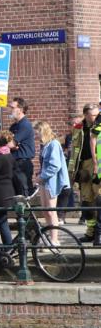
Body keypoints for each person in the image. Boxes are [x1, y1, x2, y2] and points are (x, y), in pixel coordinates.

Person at [66, 103, 101, 242]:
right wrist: (72, 171)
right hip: (84, 167)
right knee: (87, 201)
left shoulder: (99, 126)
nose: (95, 117)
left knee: (99, 198)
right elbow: (74, 152)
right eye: (92, 115)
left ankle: (99, 233)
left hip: (98, 164)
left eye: (96, 114)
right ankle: (90, 232)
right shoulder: (78, 128)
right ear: (85, 115)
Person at [34, 120, 70, 245]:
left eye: (37, 132)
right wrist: (40, 173)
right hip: (45, 181)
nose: (35, 135)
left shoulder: (53, 144)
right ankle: (51, 237)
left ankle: (55, 239)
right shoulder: (44, 144)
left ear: (42, 131)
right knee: (45, 210)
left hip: (52, 181)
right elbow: (46, 164)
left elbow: (55, 165)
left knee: (51, 210)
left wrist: (42, 176)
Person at [8, 98, 35, 196]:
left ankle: (27, 211)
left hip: (22, 163)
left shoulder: (25, 125)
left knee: (24, 194)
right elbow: (9, 144)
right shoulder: (13, 126)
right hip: (14, 163)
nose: (10, 110)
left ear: (20, 109)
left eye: (12, 107)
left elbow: (10, 144)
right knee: (17, 194)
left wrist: (11, 145)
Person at [62, 112, 83, 222]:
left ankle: (84, 216)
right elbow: (66, 150)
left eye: (77, 124)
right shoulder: (69, 136)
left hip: (82, 165)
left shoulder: (84, 135)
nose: (74, 126)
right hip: (70, 166)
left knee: (83, 191)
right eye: (72, 124)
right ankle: (62, 216)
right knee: (67, 190)